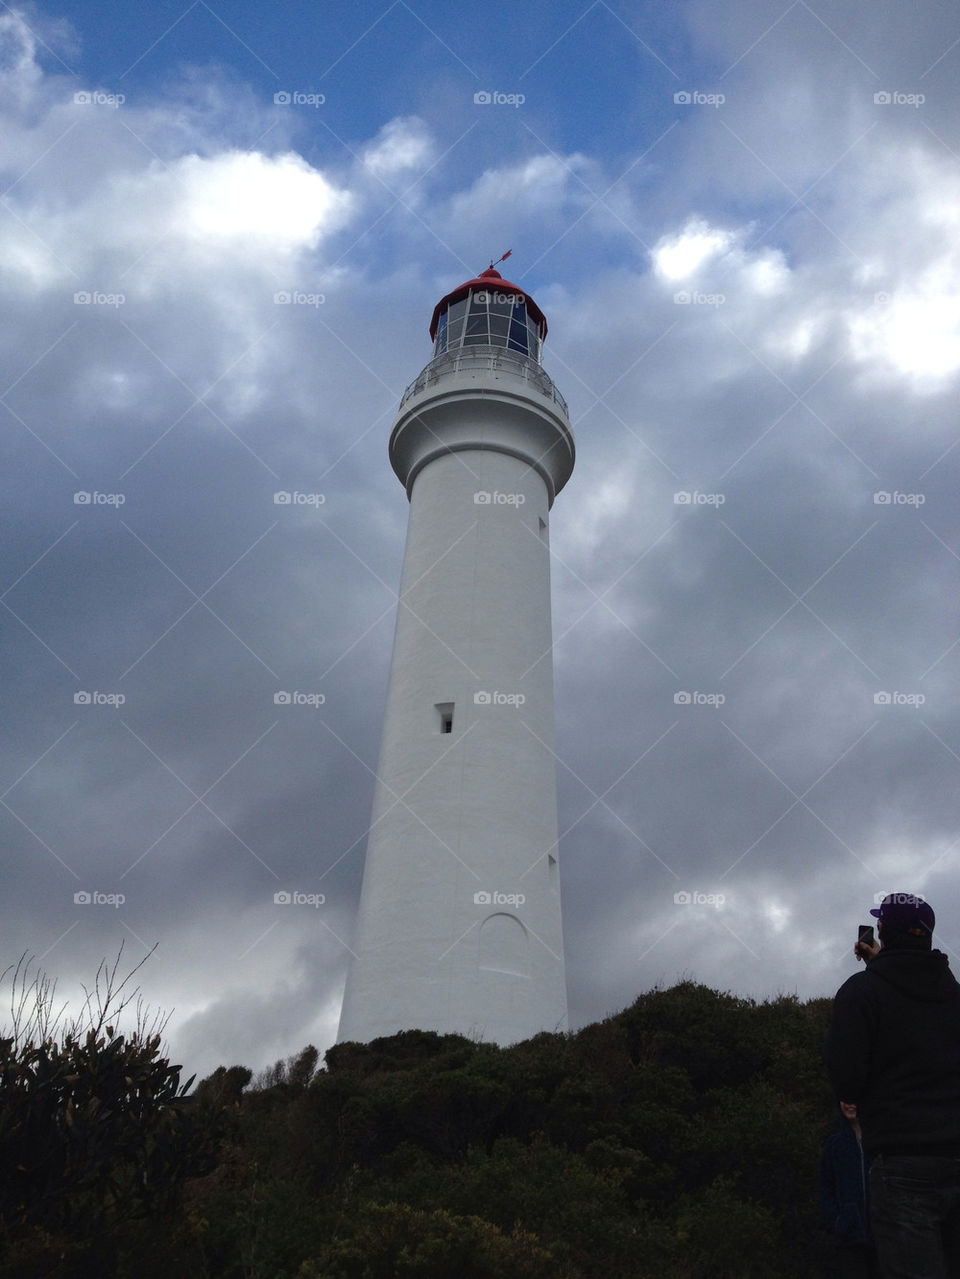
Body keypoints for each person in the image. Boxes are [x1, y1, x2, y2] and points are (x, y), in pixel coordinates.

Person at [825, 892, 960, 1278]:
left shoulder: (861, 992)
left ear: (882, 930)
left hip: (901, 1163)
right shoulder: (954, 994)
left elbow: (846, 1074)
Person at [818, 1100, 879, 1277]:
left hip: (882, 1237)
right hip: (850, 1238)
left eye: (855, 1100)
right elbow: (825, 1186)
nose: (850, 1105)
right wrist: (838, 1219)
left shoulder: (877, 1141)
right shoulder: (834, 1145)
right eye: (846, 1100)